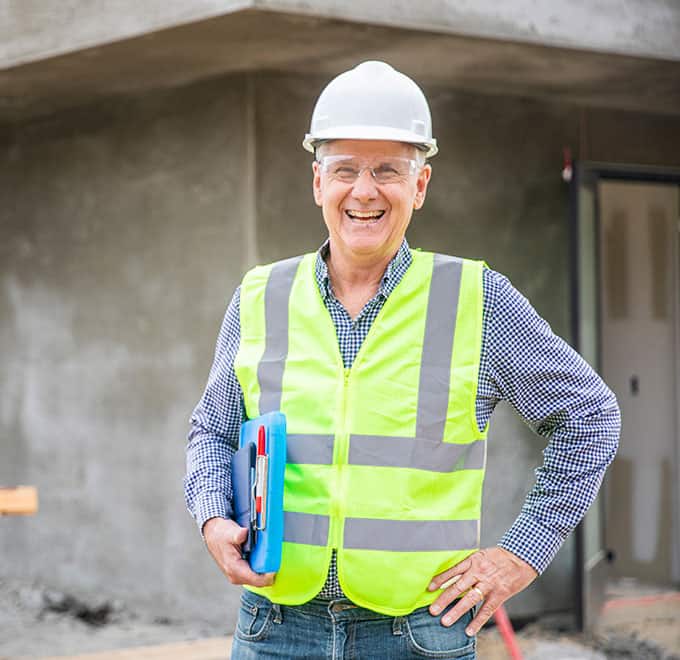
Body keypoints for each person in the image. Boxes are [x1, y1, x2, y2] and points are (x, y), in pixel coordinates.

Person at [184, 61, 620, 659]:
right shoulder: (260, 295)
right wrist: (212, 518)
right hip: (275, 629)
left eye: (387, 170)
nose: (364, 191)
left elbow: (590, 417)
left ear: (419, 185)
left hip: (416, 634)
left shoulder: (476, 299)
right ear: (318, 182)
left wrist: (521, 554)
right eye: (345, 170)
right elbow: (211, 428)